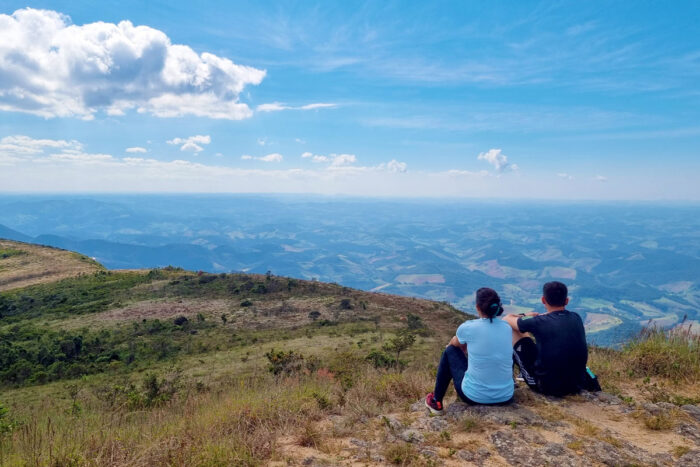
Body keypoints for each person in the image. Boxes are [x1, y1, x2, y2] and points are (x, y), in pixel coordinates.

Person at [425, 288, 514, 415]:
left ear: (478, 307)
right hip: (506, 396)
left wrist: (462, 346)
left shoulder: (468, 327)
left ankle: (436, 401)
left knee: (449, 351)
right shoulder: (507, 327)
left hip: (474, 396)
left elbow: (454, 344)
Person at [503, 281, 588, 396]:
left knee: (512, 330)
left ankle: (509, 380)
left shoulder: (539, 322)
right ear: (566, 301)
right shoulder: (576, 317)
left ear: (543, 300)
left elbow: (507, 319)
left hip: (546, 386)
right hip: (577, 384)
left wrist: (525, 315)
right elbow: (554, 319)